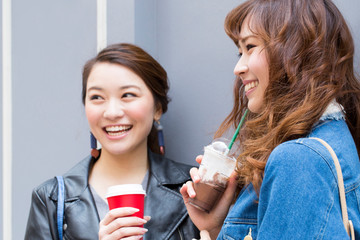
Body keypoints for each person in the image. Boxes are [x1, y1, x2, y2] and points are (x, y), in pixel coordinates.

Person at [181, 0, 360, 239]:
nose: (238, 67)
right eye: (239, 51)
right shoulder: (328, 137)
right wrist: (214, 227)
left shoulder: (299, 159)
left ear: (297, 51)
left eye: (250, 47)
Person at [25, 43, 200, 240]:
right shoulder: (51, 199)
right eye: (97, 97)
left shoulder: (193, 188)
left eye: (128, 95)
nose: (112, 112)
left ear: (157, 108)